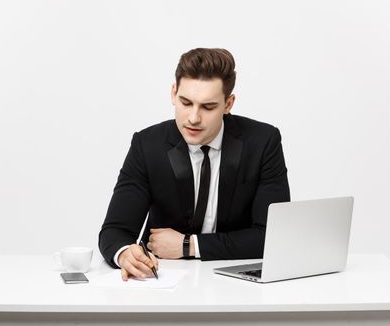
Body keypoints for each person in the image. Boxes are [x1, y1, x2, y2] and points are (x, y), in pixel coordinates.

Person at [99, 48, 290, 280]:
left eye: (208, 107)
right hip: (163, 281)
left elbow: (272, 238)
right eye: (185, 102)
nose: (193, 118)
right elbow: (114, 232)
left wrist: (189, 245)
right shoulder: (147, 145)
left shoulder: (263, 142)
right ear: (173, 93)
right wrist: (124, 253)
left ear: (228, 104)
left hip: (235, 282)